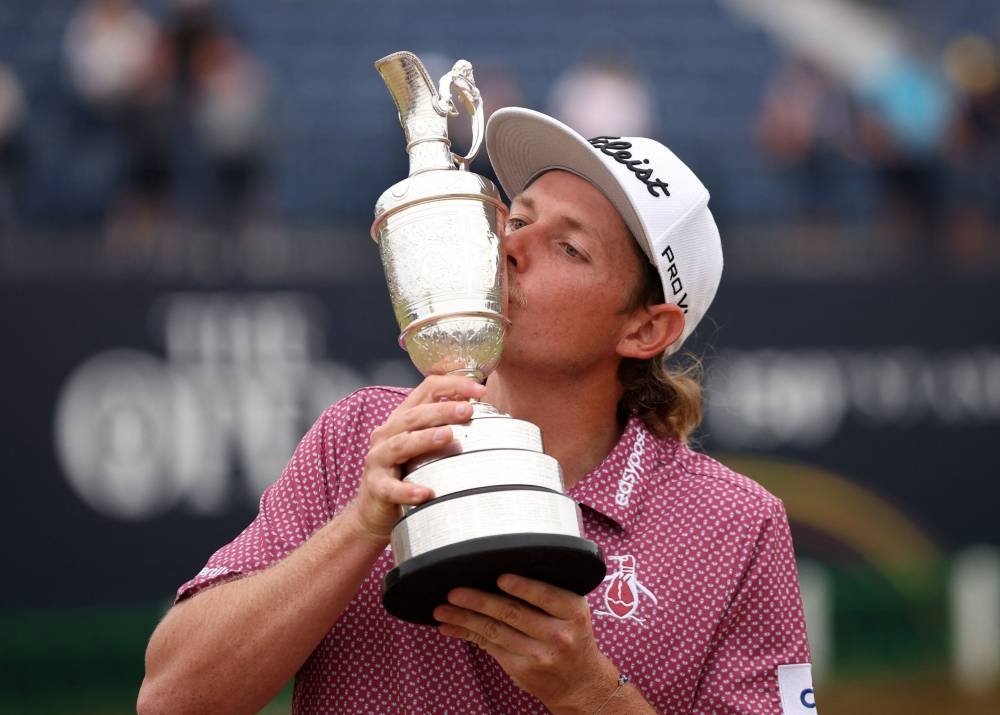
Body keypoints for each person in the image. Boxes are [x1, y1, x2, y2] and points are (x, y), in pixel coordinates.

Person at [137, 108, 814, 714]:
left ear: (644, 330)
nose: (510, 247)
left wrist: (586, 692)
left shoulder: (738, 526)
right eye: (518, 219)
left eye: (568, 246)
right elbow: (169, 699)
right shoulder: (359, 441)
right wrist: (362, 523)